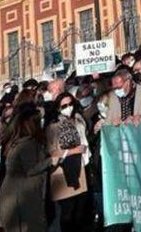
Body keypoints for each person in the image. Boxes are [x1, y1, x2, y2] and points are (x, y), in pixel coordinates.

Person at [0, 105, 65, 232]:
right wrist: (51, 160)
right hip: (22, 198)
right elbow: (31, 169)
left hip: (19, 195)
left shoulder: (16, 142)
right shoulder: (27, 144)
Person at [47, 93, 92, 232]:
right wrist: (73, 151)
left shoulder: (79, 119)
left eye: (70, 104)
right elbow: (52, 152)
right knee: (68, 212)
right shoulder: (54, 126)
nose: (68, 108)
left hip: (83, 166)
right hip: (64, 172)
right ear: (58, 108)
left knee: (80, 211)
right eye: (64, 106)